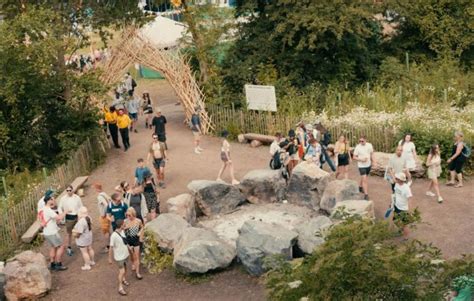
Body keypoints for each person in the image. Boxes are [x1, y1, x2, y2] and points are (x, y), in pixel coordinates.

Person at [39, 194, 68, 271]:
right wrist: (65, 211)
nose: (53, 200)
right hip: (52, 232)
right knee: (61, 246)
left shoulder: (43, 209)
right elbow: (59, 217)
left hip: (46, 232)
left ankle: (52, 264)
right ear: (48, 201)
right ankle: (58, 264)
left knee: (53, 247)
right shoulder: (49, 210)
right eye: (52, 199)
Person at [58, 185, 83, 257]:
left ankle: (80, 244)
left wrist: (80, 216)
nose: (69, 192)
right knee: (69, 233)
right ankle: (69, 247)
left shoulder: (77, 197)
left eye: (70, 190)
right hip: (69, 218)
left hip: (77, 216)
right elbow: (60, 207)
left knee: (78, 231)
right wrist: (62, 214)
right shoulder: (63, 198)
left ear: (73, 190)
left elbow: (81, 206)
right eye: (67, 190)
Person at [108, 219, 130, 296]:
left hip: (125, 255)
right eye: (124, 224)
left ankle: (124, 279)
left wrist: (129, 248)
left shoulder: (122, 231)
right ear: (121, 226)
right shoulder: (113, 236)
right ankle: (120, 288)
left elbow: (124, 241)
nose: (125, 225)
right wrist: (109, 258)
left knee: (125, 268)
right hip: (119, 257)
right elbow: (111, 247)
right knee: (122, 271)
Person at [72, 207, 95, 271]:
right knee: (90, 248)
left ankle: (87, 265)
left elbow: (79, 232)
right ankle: (92, 261)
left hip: (83, 239)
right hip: (89, 236)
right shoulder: (89, 218)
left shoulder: (82, 221)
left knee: (84, 252)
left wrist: (75, 236)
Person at [124, 208, 144, 280]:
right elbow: (121, 230)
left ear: (133, 214)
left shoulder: (138, 221)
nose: (128, 217)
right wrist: (126, 228)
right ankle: (133, 263)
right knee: (131, 255)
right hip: (128, 239)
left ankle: (137, 273)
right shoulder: (125, 221)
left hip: (135, 239)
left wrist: (140, 233)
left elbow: (142, 227)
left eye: (130, 215)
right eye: (127, 215)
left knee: (136, 256)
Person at [353, 136, 375, 200]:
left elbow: (371, 153)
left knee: (364, 177)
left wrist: (373, 161)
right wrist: (361, 159)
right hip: (361, 165)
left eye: (362, 141)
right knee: (365, 179)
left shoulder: (369, 145)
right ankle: (366, 194)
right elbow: (354, 157)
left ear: (365, 140)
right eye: (359, 141)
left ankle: (360, 187)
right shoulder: (358, 147)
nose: (360, 142)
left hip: (368, 164)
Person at [393, 172, 413, 239]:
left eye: (396, 178)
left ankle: (406, 237)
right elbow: (395, 194)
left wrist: (409, 210)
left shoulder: (406, 188)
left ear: (400, 180)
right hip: (396, 206)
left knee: (405, 224)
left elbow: (410, 199)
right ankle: (401, 229)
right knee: (395, 220)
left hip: (403, 208)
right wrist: (392, 202)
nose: (395, 179)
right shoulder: (396, 184)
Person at [94, 183, 111, 253]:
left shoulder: (100, 197)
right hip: (107, 215)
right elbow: (110, 200)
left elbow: (106, 205)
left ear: (97, 189)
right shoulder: (104, 193)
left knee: (105, 231)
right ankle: (110, 244)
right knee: (107, 230)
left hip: (104, 216)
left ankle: (108, 246)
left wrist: (105, 213)